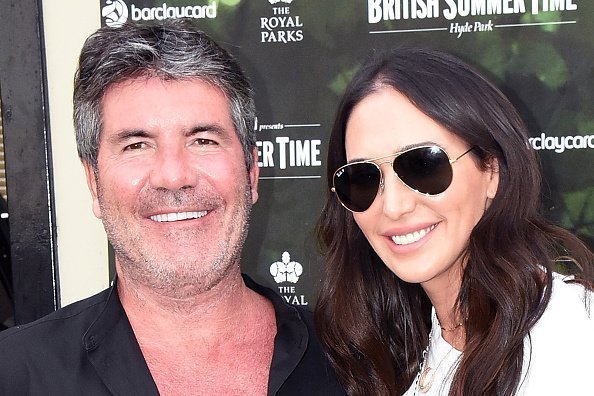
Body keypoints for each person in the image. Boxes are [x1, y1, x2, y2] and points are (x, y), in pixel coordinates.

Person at [0, 20, 344, 395]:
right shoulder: (15, 374)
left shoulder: (357, 365)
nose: (173, 175)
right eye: (136, 145)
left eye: (203, 140)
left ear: (251, 171)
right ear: (93, 183)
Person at [314, 47, 594, 396]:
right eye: (364, 179)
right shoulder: (408, 347)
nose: (393, 206)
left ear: (492, 171)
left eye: (423, 165)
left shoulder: (572, 330)